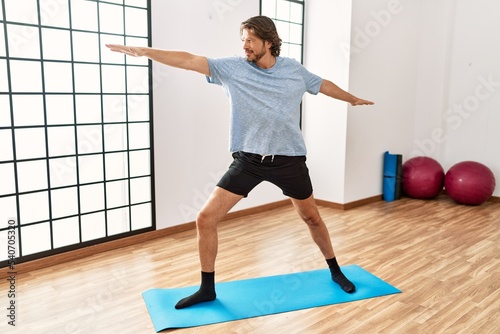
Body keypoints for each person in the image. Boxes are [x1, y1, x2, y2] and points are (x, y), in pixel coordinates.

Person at [107, 16, 374, 309]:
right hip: (249, 160)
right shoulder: (231, 68)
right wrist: (144, 51)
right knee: (205, 219)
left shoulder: (293, 70)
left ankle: (335, 270)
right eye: (243, 40)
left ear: (268, 42)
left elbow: (322, 84)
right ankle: (207, 288)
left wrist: (352, 99)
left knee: (311, 217)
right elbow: (188, 60)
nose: (245, 46)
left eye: (250, 40)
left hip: (289, 160)